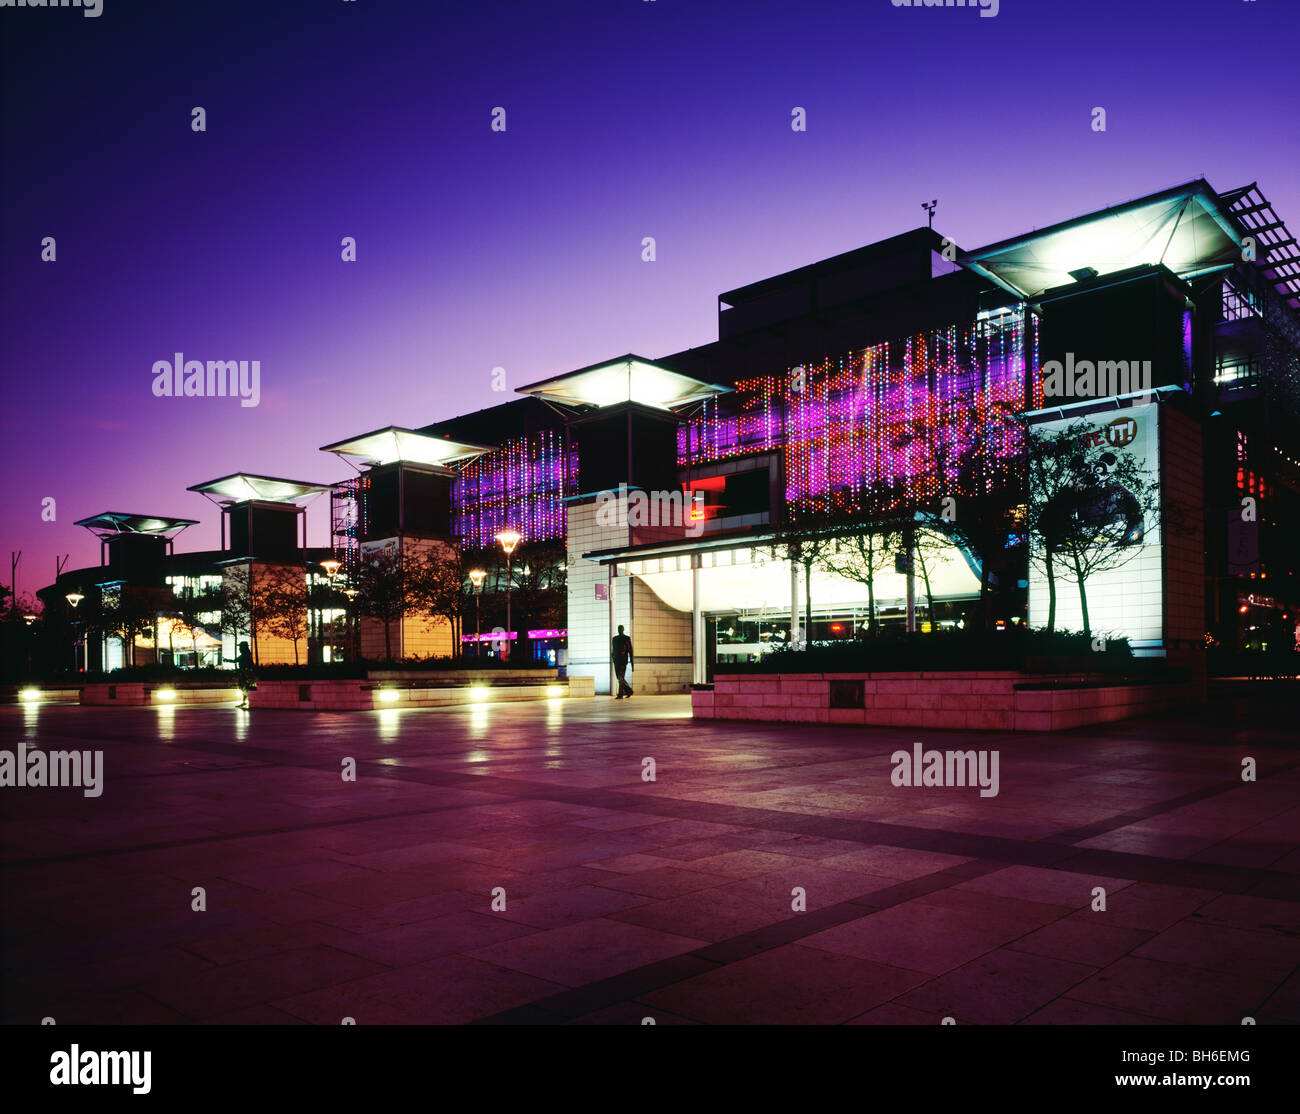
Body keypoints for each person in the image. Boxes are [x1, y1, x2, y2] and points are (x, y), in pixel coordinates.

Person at [611, 624, 634, 699]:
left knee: (620, 677)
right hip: (616, 661)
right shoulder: (614, 639)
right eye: (619, 629)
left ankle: (620, 694)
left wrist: (632, 664)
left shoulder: (627, 638)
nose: (619, 630)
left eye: (621, 629)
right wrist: (613, 657)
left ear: (623, 630)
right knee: (619, 677)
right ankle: (629, 691)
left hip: (623, 661)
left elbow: (630, 651)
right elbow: (613, 650)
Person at [235, 641, 256, 709]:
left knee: (244, 687)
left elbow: (236, 660)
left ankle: (246, 701)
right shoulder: (246, 655)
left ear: (243, 648)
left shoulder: (244, 655)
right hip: (245, 673)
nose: (239, 649)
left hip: (245, 674)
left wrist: (227, 660)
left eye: (240, 647)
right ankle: (245, 701)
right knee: (243, 687)